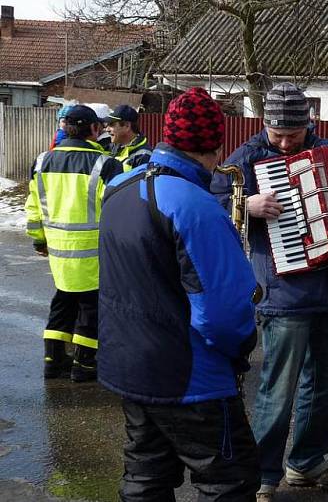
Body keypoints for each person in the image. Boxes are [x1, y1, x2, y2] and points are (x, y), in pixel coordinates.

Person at [211, 82, 328, 502]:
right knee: (277, 391)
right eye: (276, 133)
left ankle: (307, 462)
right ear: (264, 124)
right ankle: (262, 474)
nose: (283, 141)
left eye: (292, 135)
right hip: (283, 295)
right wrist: (247, 206)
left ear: (308, 124)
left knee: (324, 386)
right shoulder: (246, 159)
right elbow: (213, 204)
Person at [98, 87, 260, 501]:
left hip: (130, 366)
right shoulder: (195, 205)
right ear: (214, 144)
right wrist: (242, 348)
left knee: (145, 479)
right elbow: (223, 315)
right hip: (191, 378)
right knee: (228, 483)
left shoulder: (119, 187)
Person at [25, 105, 124, 382]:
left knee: (63, 300)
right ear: (94, 129)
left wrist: (39, 241)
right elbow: (117, 211)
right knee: (91, 306)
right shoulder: (106, 165)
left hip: (58, 249)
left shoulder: (42, 161)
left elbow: (33, 209)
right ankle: (85, 364)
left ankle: (53, 360)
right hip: (94, 252)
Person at [107, 104, 152, 170]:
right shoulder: (112, 148)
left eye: (111, 124)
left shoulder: (144, 156)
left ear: (127, 126)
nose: (107, 129)